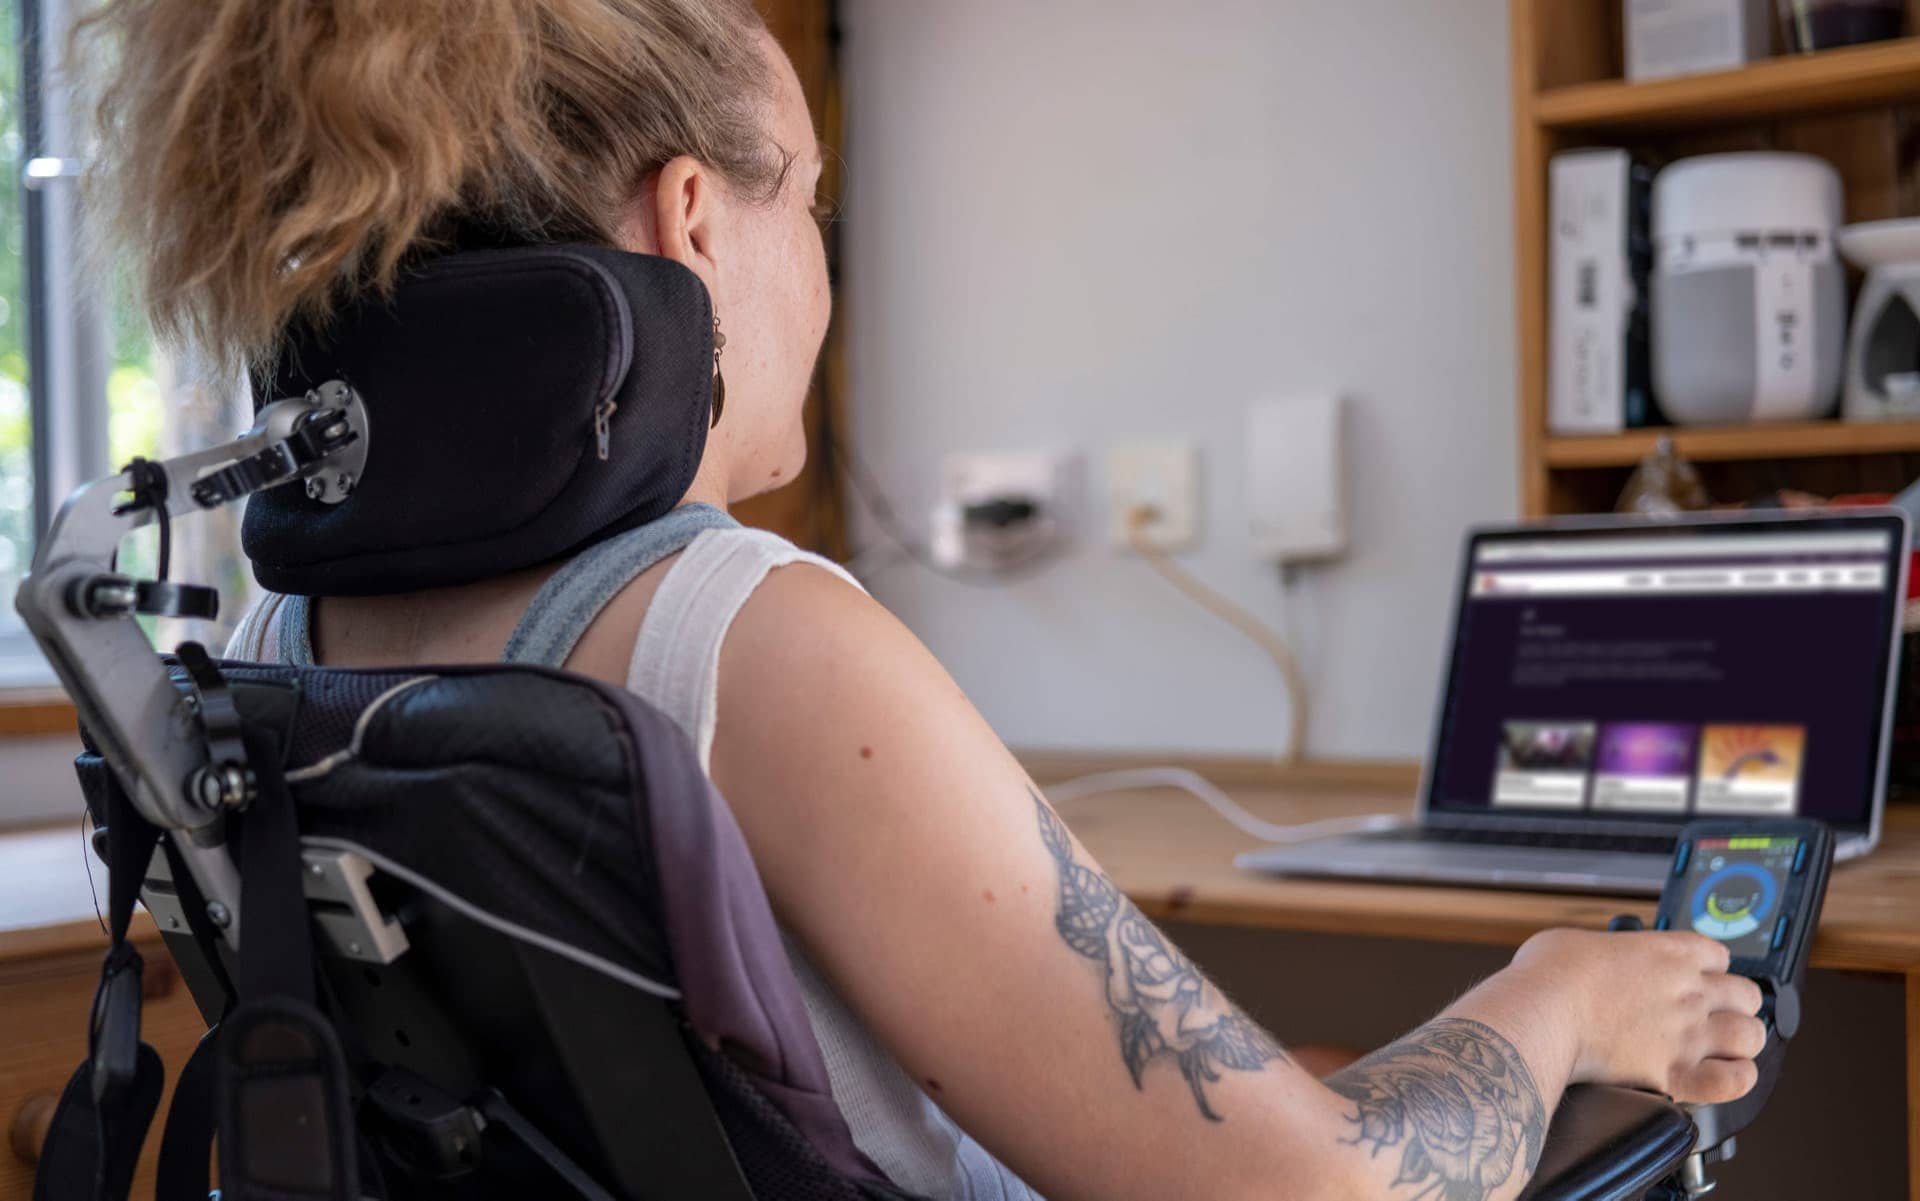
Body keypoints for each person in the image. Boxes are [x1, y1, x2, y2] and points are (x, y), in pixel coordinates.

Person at [76, 3, 1765, 1198]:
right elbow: (1306, 1196)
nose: (819, 253)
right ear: (689, 225)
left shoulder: (289, 642)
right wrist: (1558, 997)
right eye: (803, 200)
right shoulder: (748, 633)